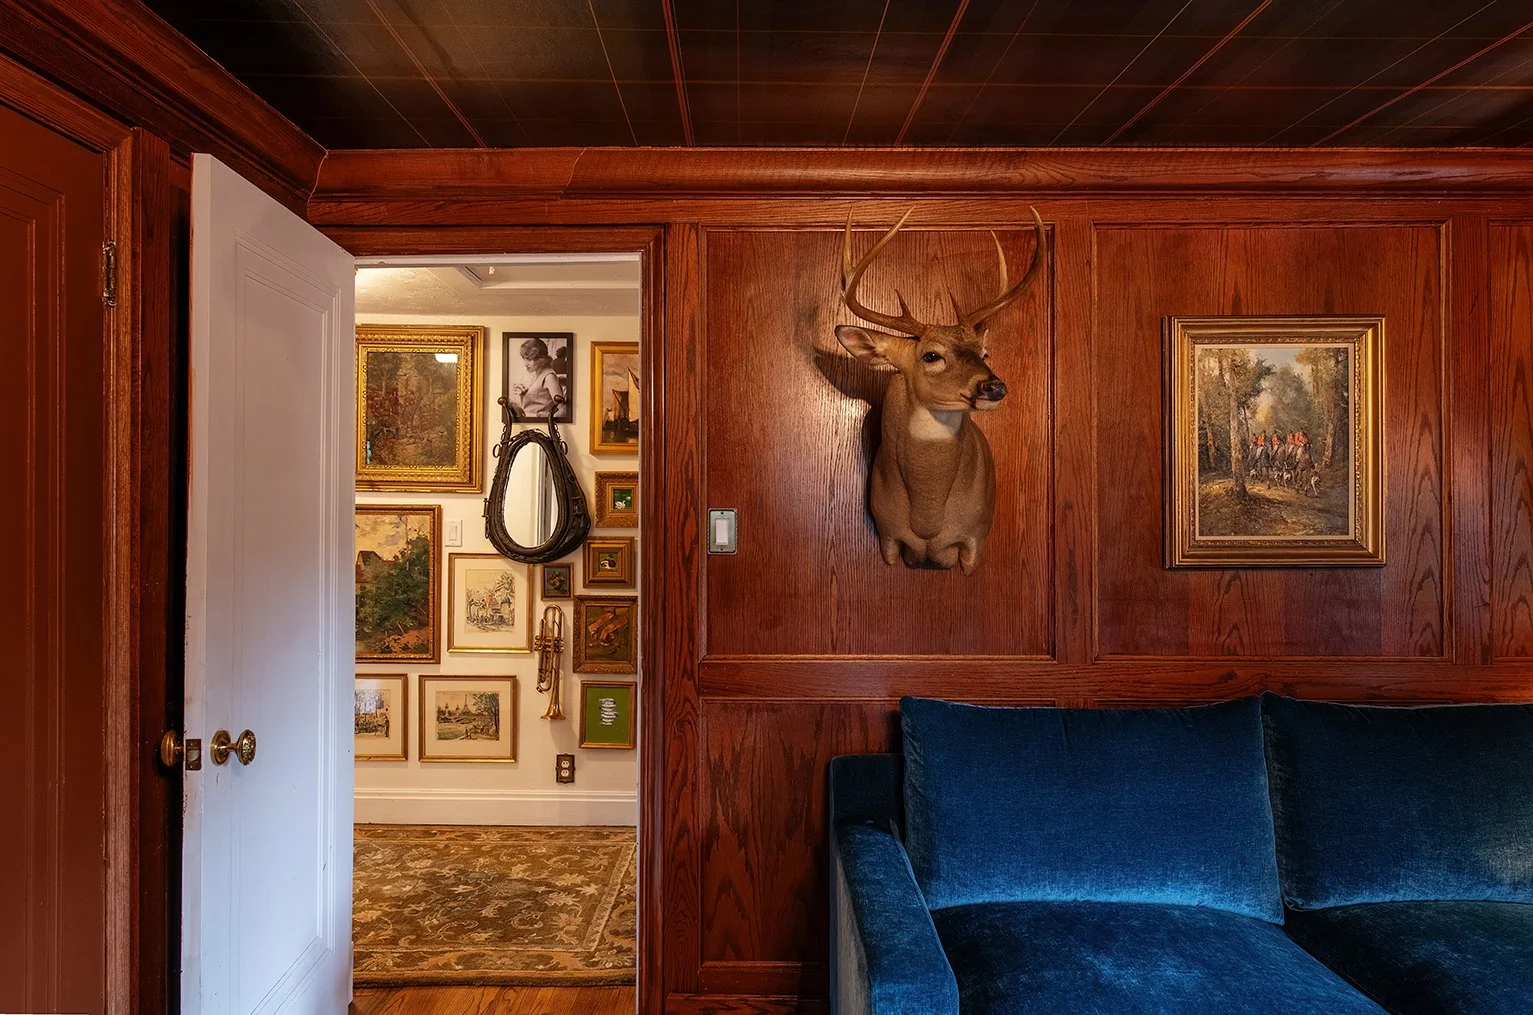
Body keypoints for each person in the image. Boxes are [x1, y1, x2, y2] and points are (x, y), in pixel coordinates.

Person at [510, 338, 566, 419]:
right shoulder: (534, 373)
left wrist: (544, 417)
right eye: (524, 358)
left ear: (541, 359)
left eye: (529, 359)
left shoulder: (549, 377)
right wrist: (522, 393)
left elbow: (563, 410)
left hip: (539, 423)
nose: (525, 363)